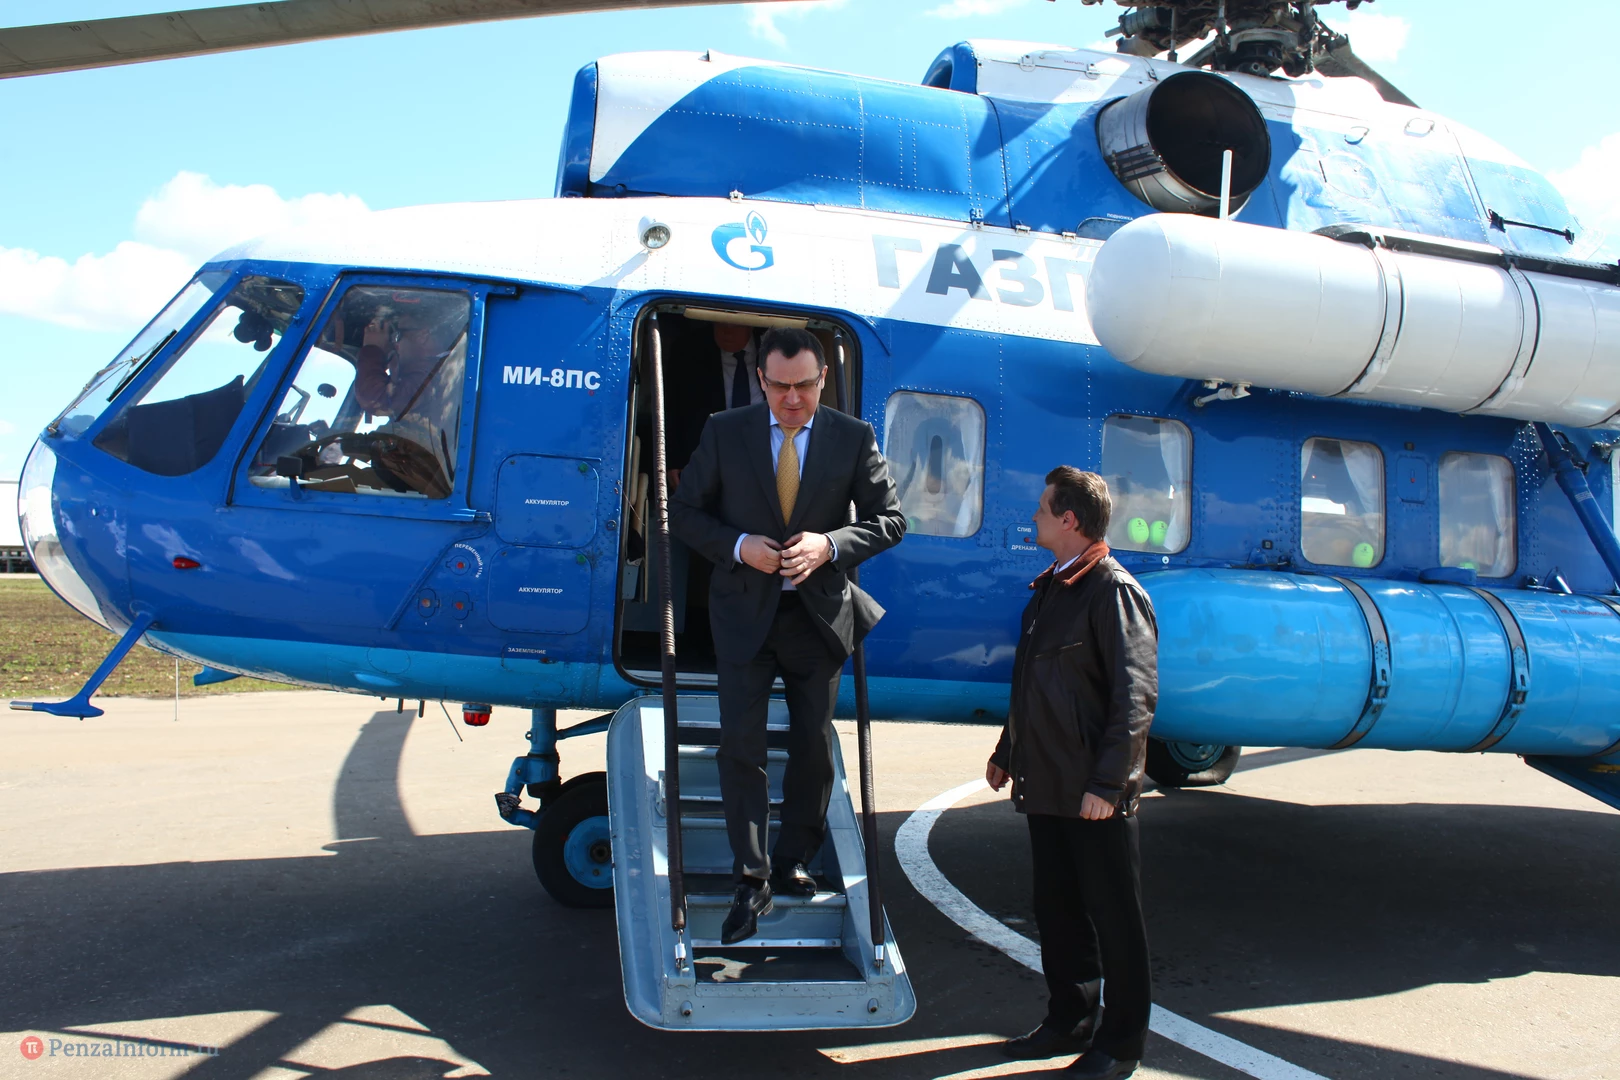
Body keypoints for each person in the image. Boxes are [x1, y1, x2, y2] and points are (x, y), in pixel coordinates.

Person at [670, 327, 905, 944]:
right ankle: (751, 877)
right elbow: (684, 513)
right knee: (740, 748)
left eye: (804, 386)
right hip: (743, 617)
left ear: (822, 379)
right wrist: (738, 545)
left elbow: (891, 520)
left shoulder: (852, 437)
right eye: (779, 387)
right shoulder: (726, 431)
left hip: (817, 619)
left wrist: (830, 544)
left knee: (812, 747)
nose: (792, 399)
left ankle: (793, 856)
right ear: (762, 379)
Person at [986, 467, 1158, 1080]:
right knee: (1057, 910)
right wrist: (1008, 751)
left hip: (1092, 790)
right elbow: (1033, 685)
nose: (1033, 516)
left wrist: (1109, 785)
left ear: (1069, 520)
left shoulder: (1114, 591)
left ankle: (1121, 1044)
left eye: (1042, 508)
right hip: (1048, 783)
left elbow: (1134, 697)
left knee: (1115, 919)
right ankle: (1070, 1018)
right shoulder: (1051, 590)